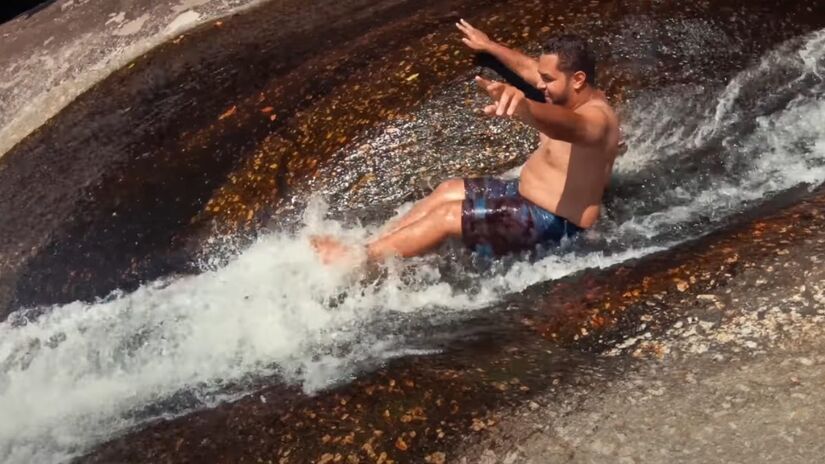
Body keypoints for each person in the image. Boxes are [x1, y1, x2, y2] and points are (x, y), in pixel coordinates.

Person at [312, 19, 619, 264]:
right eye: (543, 78)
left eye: (549, 80)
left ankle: (360, 263)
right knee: (448, 190)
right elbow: (529, 69)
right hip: (523, 193)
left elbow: (569, 128)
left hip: (554, 222)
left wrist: (526, 108)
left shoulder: (596, 119)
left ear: (578, 79)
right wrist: (490, 46)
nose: (541, 85)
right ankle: (371, 245)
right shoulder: (565, 93)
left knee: (447, 217)